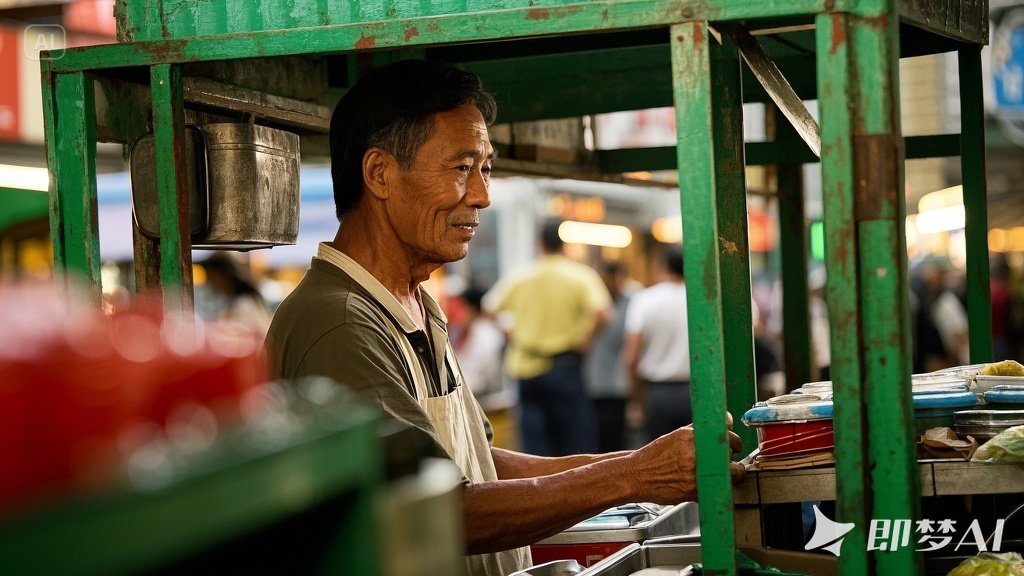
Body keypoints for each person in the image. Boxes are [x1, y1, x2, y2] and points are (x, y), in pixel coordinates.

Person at [265, 60, 744, 576]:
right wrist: (631, 475)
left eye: (485, 168)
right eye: (459, 168)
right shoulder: (339, 322)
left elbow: (481, 466)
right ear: (380, 173)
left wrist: (648, 467)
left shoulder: (413, 304)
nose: (482, 195)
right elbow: (442, 511)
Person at [484, 219, 608, 456]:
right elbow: (603, 313)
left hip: (525, 364)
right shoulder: (580, 275)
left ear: (539, 244)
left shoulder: (521, 276)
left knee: (534, 441)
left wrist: (512, 334)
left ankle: (540, 487)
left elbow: (489, 309)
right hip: (565, 364)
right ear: (563, 244)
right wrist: (585, 340)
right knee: (573, 439)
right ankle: (576, 488)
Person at [624, 247, 692, 442]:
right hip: (697, 391)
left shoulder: (644, 300)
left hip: (657, 394)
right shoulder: (701, 300)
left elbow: (631, 357)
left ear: (663, 267)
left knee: (659, 459)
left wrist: (636, 399)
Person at [584, 260, 634, 452]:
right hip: (594, 382)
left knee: (618, 440)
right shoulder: (593, 303)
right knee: (597, 439)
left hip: (620, 383)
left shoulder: (632, 302)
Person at [201, 252, 273, 337]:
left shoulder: (244, 303)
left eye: (210, 277)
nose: (209, 282)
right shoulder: (234, 301)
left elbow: (242, 338)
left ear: (222, 276)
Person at [454, 285, 506, 397]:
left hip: (484, 400)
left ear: (471, 310)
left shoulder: (488, 336)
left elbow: (487, 378)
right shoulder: (457, 332)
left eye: (458, 308)